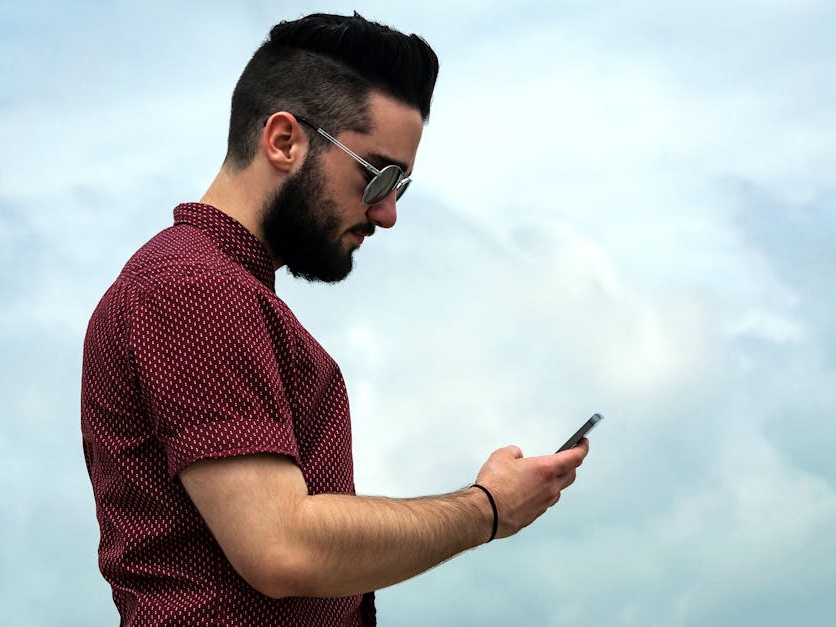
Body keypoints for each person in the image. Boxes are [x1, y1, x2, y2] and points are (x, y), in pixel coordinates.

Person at [81, 12, 589, 627]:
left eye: (403, 185)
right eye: (377, 175)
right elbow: (280, 547)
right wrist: (486, 509)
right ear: (284, 141)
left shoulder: (218, 289)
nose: (387, 214)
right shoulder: (193, 286)